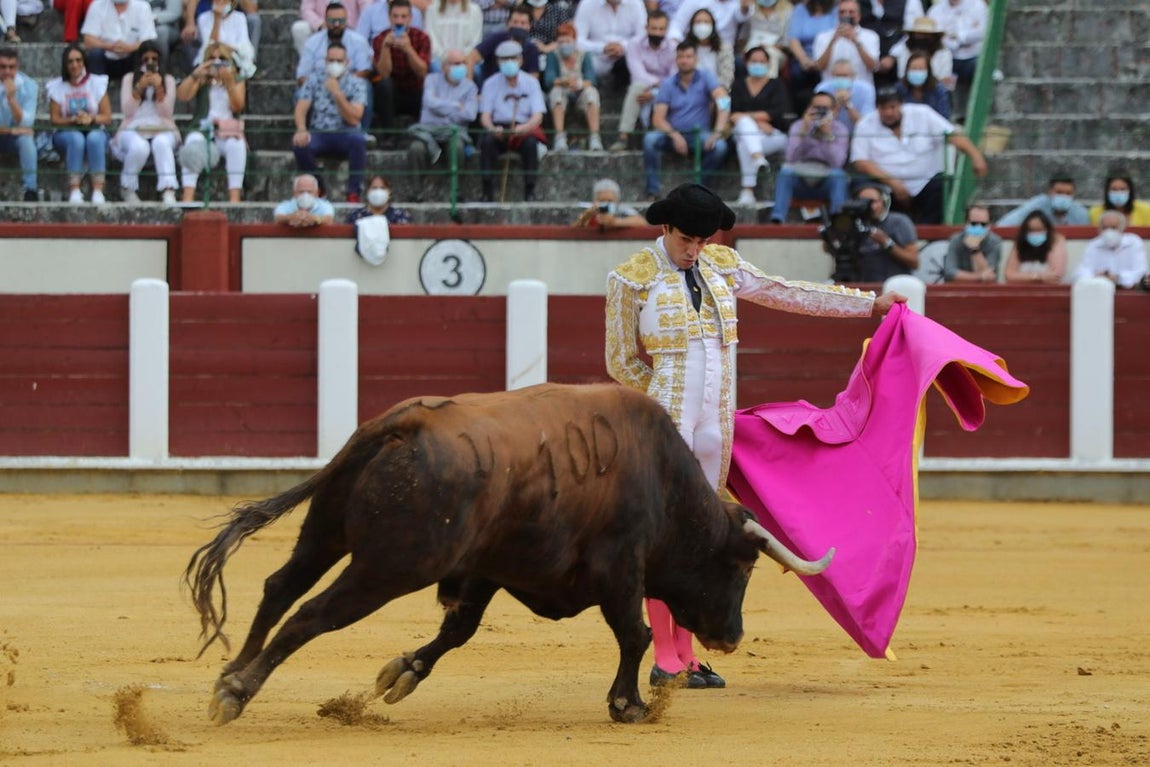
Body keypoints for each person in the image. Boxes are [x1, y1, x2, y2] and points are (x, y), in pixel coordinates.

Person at [605, 182, 905, 690]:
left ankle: (688, 653)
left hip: (715, 424)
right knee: (661, 536)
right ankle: (664, 655)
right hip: (667, 422)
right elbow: (620, 360)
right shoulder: (631, 277)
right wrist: (655, 404)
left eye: (702, 241)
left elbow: (788, 293)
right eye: (686, 240)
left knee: (701, 536)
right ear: (666, 228)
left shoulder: (721, 265)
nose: (694, 250)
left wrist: (869, 306)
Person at [850, 85, 986, 225]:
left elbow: (951, 135)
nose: (888, 112)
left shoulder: (923, 114)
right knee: (863, 186)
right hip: (886, 186)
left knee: (943, 185)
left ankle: (929, 231)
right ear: (877, 108)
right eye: (883, 108)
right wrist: (893, 183)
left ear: (901, 105)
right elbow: (860, 162)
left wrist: (976, 156)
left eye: (892, 107)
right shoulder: (865, 124)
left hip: (925, 183)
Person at [643, 41, 729, 200]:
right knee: (650, 139)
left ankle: (701, 189)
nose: (684, 60)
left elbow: (724, 101)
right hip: (672, 135)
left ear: (696, 59)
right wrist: (674, 135)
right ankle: (653, 191)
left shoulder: (706, 77)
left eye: (689, 56)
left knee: (720, 146)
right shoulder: (668, 83)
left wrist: (717, 131)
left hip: (699, 135)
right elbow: (658, 119)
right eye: (681, 56)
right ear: (676, 60)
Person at [292, 41, 368, 203]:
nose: (334, 64)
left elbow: (354, 118)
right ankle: (319, 189)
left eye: (339, 61)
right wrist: (301, 129)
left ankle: (353, 192)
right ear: (325, 61)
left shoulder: (357, 83)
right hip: (319, 131)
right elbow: (301, 108)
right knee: (300, 144)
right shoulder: (314, 79)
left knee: (358, 140)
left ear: (347, 62)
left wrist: (337, 93)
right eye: (331, 60)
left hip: (346, 132)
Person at [176, 40, 247, 203]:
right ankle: (188, 196)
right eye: (212, 58)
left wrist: (229, 82)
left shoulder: (237, 79)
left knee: (237, 145)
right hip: (202, 128)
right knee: (192, 143)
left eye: (222, 58)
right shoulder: (202, 80)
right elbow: (182, 96)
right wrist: (196, 74)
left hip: (227, 130)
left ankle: (234, 198)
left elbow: (238, 106)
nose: (217, 62)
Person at [476, 38, 546, 201]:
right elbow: (485, 116)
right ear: (498, 62)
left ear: (520, 60)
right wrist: (492, 129)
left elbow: (538, 116)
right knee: (487, 143)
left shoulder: (531, 83)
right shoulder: (490, 84)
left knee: (531, 145)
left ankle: (530, 191)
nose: (509, 63)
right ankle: (487, 191)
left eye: (513, 58)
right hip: (499, 128)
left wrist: (524, 128)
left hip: (523, 128)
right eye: (504, 59)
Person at [111, 39, 180, 204]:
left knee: (162, 143)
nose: (150, 63)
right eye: (146, 59)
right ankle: (127, 187)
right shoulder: (129, 79)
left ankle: (168, 189)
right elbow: (127, 111)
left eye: (154, 59)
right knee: (139, 146)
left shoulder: (168, 80)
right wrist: (139, 88)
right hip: (133, 125)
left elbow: (167, 112)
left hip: (162, 125)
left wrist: (159, 89)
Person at [768, 90, 849, 223]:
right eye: (816, 107)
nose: (820, 112)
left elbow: (837, 163)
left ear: (835, 111)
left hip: (825, 179)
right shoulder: (798, 126)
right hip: (800, 179)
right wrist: (804, 132)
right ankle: (777, 219)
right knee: (785, 172)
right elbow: (791, 159)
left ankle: (838, 221)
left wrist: (827, 135)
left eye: (824, 109)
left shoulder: (840, 129)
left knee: (838, 176)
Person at [46, 43, 112, 204]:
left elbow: (107, 117)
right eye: (70, 61)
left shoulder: (96, 83)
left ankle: (98, 189)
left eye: (78, 60)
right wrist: (72, 120)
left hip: (94, 128)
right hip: (66, 132)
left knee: (94, 138)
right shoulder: (57, 86)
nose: (74, 65)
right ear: (65, 64)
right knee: (76, 139)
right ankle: (74, 189)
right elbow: (54, 119)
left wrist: (91, 119)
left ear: (84, 62)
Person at [405, 47, 477, 188]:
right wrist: (457, 105)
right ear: (444, 67)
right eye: (456, 63)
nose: (461, 67)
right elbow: (429, 102)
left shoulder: (470, 87)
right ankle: (416, 191)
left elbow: (470, 114)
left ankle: (456, 191)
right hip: (429, 130)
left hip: (454, 132)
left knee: (458, 148)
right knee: (415, 148)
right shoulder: (431, 80)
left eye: (463, 63)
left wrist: (440, 106)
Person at [730, 43, 791, 206]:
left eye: (762, 61)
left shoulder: (777, 84)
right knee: (744, 127)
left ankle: (747, 191)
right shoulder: (738, 85)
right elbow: (733, 114)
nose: (758, 64)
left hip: (772, 134)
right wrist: (756, 121)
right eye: (754, 61)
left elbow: (776, 112)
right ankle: (758, 158)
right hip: (744, 132)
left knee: (744, 145)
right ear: (746, 63)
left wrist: (749, 118)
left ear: (768, 63)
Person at [608, 8, 674, 153]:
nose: (657, 33)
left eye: (661, 29)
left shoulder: (673, 48)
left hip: (665, 89)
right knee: (637, 87)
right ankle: (623, 136)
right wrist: (657, 84)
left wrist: (656, 92)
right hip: (642, 86)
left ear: (667, 30)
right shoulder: (634, 44)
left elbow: (674, 78)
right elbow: (637, 74)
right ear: (646, 28)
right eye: (654, 28)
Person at [827, 181, 919, 282]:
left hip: (892, 284)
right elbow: (833, 251)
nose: (870, 207)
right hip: (862, 284)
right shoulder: (853, 223)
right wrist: (830, 236)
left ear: (884, 201)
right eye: (862, 202)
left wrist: (886, 242)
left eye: (873, 202)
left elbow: (914, 262)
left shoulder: (898, 222)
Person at [371, 0, 431, 138]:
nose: (399, 21)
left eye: (404, 16)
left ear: (410, 18)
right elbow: (384, 73)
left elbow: (422, 72)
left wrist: (409, 50)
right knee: (384, 85)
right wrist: (386, 48)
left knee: (428, 87)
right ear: (389, 18)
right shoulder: (380, 39)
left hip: (415, 91)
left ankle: (421, 136)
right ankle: (389, 136)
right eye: (395, 16)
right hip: (393, 94)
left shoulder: (422, 38)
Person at [543, 20, 602, 152]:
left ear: (574, 41)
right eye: (561, 42)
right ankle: (559, 137)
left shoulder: (584, 55)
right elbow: (549, 80)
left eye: (567, 41)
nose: (565, 45)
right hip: (563, 93)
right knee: (556, 92)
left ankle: (595, 137)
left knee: (592, 92)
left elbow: (591, 79)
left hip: (580, 93)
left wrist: (579, 84)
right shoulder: (553, 55)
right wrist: (564, 82)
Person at [297, 3, 373, 86]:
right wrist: (324, 87)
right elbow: (302, 76)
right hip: (318, 87)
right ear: (325, 21)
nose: (337, 24)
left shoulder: (359, 41)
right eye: (332, 21)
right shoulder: (312, 43)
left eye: (341, 21)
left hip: (352, 86)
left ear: (346, 21)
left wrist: (340, 85)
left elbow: (364, 71)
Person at [572, 0, 644, 87]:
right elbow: (576, 40)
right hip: (596, 60)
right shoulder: (587, 4)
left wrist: (623, 46)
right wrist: (603, 48)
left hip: (627, 59)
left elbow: (643, 37)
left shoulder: (636, 3)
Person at [0, 45, 39, 202]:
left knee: (26, 141)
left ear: (17, 67)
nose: (7, 71)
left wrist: (11, 99)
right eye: (3, 67)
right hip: (9, 133)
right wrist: (11, 130)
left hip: (14, 139)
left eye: (11, 67)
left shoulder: (30, 86)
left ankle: (30, 190)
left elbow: (26, 123)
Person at [80, 0, 157, 78]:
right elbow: (88, 40)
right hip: (107, 57)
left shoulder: (142, 7)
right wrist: (110, 47)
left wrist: (130, 48)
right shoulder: (97, 5)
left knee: (145, 52)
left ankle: (139, 83)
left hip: (131, 57)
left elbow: (149, 40)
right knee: (95, 54)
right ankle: (98, 85)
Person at [1072, 211, 1148, 289]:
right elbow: (1080, 273)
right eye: (1104, 228)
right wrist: (1096, 276)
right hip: (1100, 290)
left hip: (1127, 291)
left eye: (1113, 228)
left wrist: (1118, 278)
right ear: (1099, 230)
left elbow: (1141, 273)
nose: (1109, 231)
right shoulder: (1094, 245)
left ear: (1122, 228)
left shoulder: (1133, 243)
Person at [784, 0, 836, 112]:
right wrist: (804, 60)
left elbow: (836, 38)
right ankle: (800, 113)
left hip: (829, 55)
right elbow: (793, 39)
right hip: (804, 55)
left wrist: (820, 61)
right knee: (796, 73)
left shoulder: (836, 9)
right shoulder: (800, 9)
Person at [812, 0, 879, 85]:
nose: (846, 15)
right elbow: (819, 67)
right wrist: (832, 41)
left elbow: (873, 67)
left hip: (861, 87)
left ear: (859, 16)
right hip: (831, 88)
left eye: (851, 12)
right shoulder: (823, 37)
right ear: (837, 15)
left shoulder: (871, 36)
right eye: (842, 12)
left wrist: (856, 42)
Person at [858, 0, 922, 86]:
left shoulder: (910, 2)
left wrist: (893, 55)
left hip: (897, 65)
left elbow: (913, 33)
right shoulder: (857, 2)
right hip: (864, 65)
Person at [927, 0, 985, 94]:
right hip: (947, 59)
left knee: (980, 67)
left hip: (973, 57)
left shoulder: (977, 5)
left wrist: (959, 37)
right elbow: (937, 38)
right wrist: (955, 43)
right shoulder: (935, 10)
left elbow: (982, 32)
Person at [996, 173, 1090, 228]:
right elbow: (1005, 225)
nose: (1064, 197)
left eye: (1068, 193)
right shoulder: (1036, 206)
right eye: (1059, 192)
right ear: (1050, 192)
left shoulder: (1080, 213)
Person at [888, 16, 953, 91]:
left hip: (935, 92)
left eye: (926, 34)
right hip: (907, 91)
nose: (922, 37)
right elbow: (902, 76)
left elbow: (945, 81)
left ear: (934, 36)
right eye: (919, 34)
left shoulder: (944, 53)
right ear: (913, 35)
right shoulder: (904, 50)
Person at [1002, 210, 1067, 285]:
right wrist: (1038, 277)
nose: (1035, 234)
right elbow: (1009, 275)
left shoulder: (1056, 240)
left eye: (1039, 230)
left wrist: (1022, 277)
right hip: (1021, 289)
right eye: (1031, 230)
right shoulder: (1020, 242)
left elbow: (1055, 276)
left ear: (1047, 230)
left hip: (1048, 289)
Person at [942, 203, 1002, 283]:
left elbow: (989, 277)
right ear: (966, 223)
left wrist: (975, 249)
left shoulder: (994, 242)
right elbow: (950, 273)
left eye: (983, 224)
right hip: (960, 288)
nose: (978, 227)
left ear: (989, 225)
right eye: (974, 224)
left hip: (985, 290)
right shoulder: (956, 240)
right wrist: (980, 277)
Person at [813, 57, 874, 130]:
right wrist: (836, 104)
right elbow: (820, 122)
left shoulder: (866, 89)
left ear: (853, 75)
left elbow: (866, 124)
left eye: (845, 76)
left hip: (857, 133)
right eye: (838, 76)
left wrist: (848, 104)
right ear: (832, 75)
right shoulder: (822, 89)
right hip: (832, 133)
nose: (841, 79)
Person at [740, 0, 793, 83]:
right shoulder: (751, 11)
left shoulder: (787, 12)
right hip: (752, 48)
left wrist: (767, 47)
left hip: (776, 50)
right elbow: (743, 37)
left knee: (768, 54)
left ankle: (770, 87)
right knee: (753, 55)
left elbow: (788, 42)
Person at [679, 7, 732, 88]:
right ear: (692, 25)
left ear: (713, 26)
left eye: (706, 22)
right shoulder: (684, 48)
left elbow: (727, 78)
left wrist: (716, 92)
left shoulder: (724, 49)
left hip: (716, 91)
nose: (702, 25)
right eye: (698, 22)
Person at [292, 0, 368, 56]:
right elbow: (306, 10)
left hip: (350, 28)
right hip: (321, 28)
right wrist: (320, 24)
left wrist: (344, 24)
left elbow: (366, 9)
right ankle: (309, 64)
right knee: (299, 28)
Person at [424, 0, 483, 69]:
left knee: (470, 70)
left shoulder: (474, 10)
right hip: (440, 60)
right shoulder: (432, 10)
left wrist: (461, 57)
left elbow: (476, 40)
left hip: (466, 59)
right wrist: (445, 56)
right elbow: (431, 39)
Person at [571, 176, 646, 228]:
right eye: (602, 200)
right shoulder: (590, 211)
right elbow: (572, 230)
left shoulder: (621, 210)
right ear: (594, 200)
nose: (606, 204)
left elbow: (641, 222)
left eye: (610, 201)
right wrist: (586, 217)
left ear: (617, 201)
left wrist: (615, 222)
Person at [895, 49, 949, 119]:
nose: (917, 72)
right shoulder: (899, 89)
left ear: (928, 71)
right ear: (907, 70)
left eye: (921, 69)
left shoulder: (939, 90)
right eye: (913, 69)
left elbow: (944, 117)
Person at [346, 174, 412, 223]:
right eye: (374, 188)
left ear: (389, 192)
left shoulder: (401, 216)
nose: (378, 191)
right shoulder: (356, 216)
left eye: (383, 188)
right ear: (367, 192)